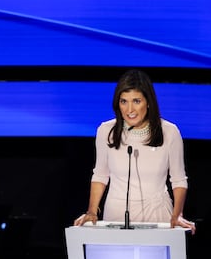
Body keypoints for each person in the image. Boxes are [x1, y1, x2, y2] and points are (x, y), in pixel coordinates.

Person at [73, 69, 196, 234]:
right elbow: (100, 175)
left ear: (148, 102)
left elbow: (179, 180)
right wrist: (91, 211)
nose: (129, 109)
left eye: (136, 101)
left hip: (158, 217)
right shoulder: (106, 131)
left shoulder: (169, 132)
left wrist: (178, 215)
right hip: (116, 217)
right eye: (124, 101)